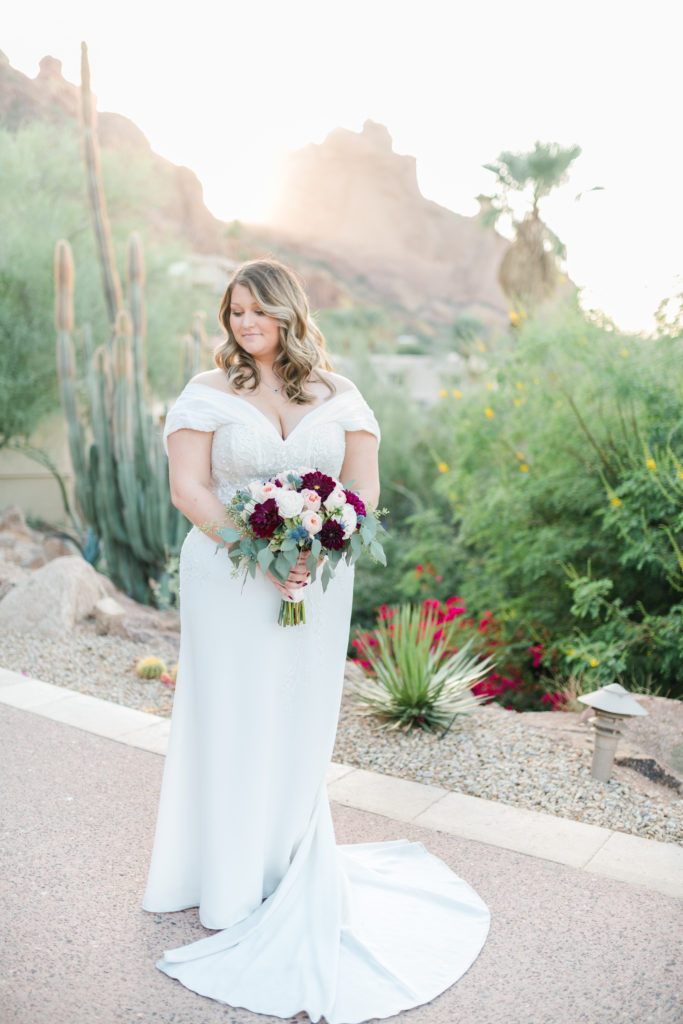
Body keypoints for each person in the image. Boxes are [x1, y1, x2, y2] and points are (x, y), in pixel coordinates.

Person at [142, 258, 489, 1022]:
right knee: (231, 711)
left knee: (296, 716)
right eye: (234, 312)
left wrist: (315, 545)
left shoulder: (342, 397)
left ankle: (283, 862)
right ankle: (222, 878)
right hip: (228, 576)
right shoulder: (206, 392)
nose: (244, 324)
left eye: (257, 311)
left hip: (318, 579)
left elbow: (361, 493)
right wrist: (258, 551)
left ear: (288, 313)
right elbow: (189, 490)